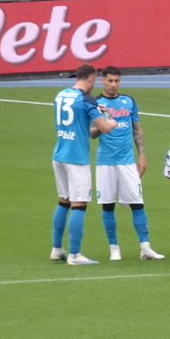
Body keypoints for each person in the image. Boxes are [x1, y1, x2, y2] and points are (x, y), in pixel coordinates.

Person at [91, 66, 164, 262]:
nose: (114, 85)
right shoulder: (97, 103)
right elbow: (91, 133)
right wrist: (103, 126)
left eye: (117, 81)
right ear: (102, 81)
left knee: (137, 204)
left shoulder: (128, 101)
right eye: (110, 81)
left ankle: (145, 248)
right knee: (107, 205)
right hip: (105, 163)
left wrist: (142, 156)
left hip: (127, 162)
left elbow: (137, 130)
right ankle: (114, 248)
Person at [51, 63, 118, 265]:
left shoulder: (61, 95)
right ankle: (75, 255)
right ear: (90, 79)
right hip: (76, 158)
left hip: (59, 154)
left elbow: (78, 125)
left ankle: (56, 249)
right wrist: (111, 120)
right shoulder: (86, 99)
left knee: (64, 200)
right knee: (79, 204)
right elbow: (105, 128)